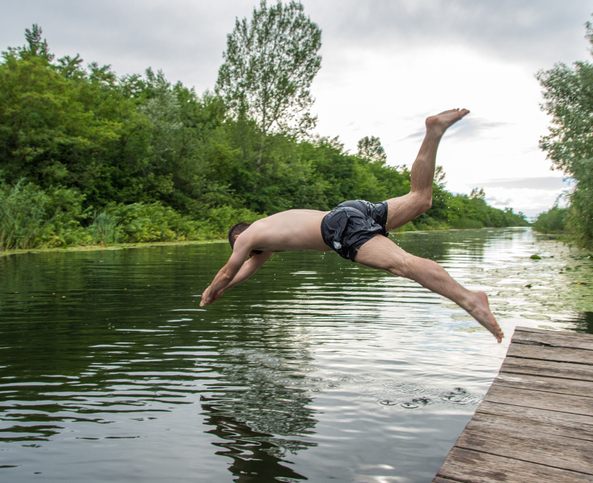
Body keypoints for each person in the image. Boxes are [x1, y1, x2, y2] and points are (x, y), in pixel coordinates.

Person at [200, 109, 504, 343]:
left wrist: (209, 291)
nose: (249, 255)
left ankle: (470, 300)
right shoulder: (266, 237)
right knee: (421, 198)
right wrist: (223, 290)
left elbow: (229, 269)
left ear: (238, 236)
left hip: (338, 226)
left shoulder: (248, 237)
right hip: (349, 211)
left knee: (402, 265)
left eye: (243, 249)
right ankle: (434, 131)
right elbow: (243, 273)